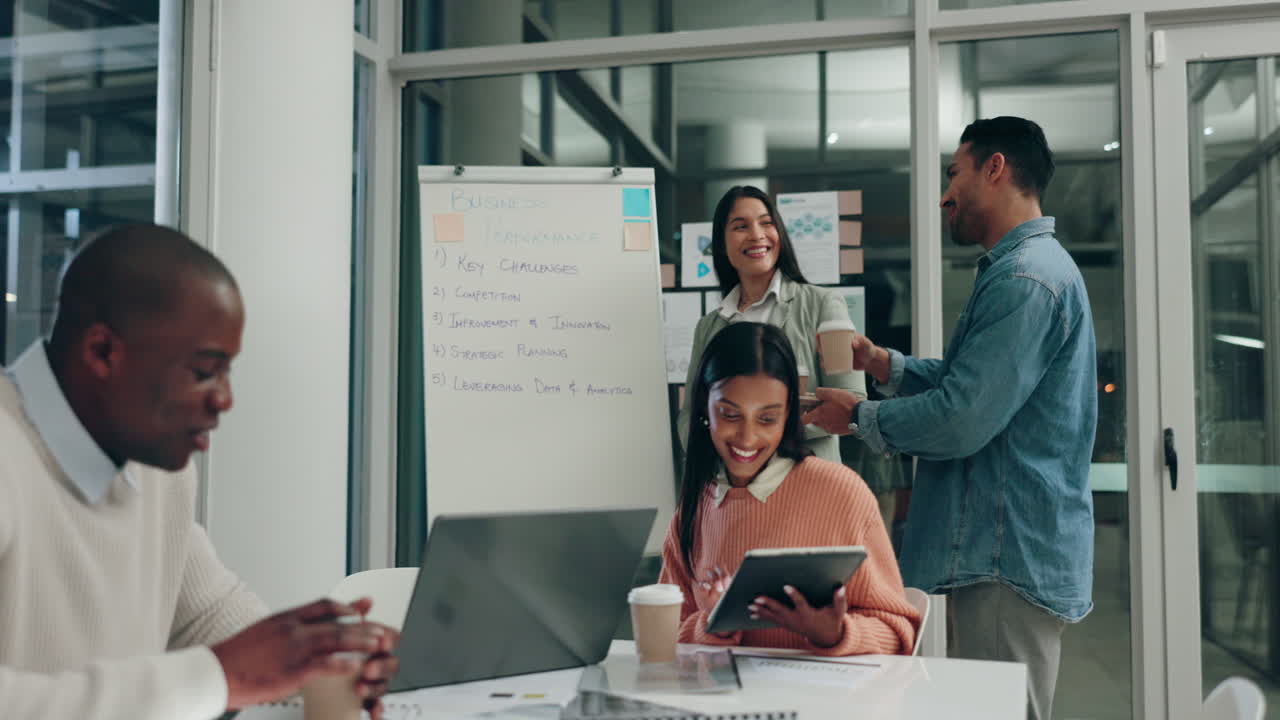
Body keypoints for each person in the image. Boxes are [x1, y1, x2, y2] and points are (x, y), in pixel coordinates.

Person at [0, 225, 401, 719]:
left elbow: (208, 616)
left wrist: (319, 661)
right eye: (203, 371)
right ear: (103, 352)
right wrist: (221, 677)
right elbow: (221, 669)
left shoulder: (152, 464)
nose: (225, 399)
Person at [802, 117, 1096, 720]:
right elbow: (976, 387)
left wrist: (859, 415)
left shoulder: (1025, 279)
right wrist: (886, 364)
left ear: (995, 168)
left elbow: (962, 418)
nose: (944, 195)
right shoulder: (1029, 269)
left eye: (953, 173)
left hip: (1003, 554)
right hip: (1003, 552)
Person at [658, 322, 918, 655]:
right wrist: (713, 622)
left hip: (825, 703)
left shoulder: (841, 494)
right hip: (730, 704)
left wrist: (834, 634)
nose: (747, 438)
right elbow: (666, 637)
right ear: (704, 410)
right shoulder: (694, 511)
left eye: (767, 419)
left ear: (789, 416)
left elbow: (900, 632)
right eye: (729, 414)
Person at [676, 186, 866, 463]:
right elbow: (690, 417)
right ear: (721, 243)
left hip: (806, 484)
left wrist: (760, 435)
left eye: (766, 223)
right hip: (731, 489)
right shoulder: (709, 327)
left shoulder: (823, 305)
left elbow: (850, 403)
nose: (757, 235)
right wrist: (717, 448)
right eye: (740, 226)